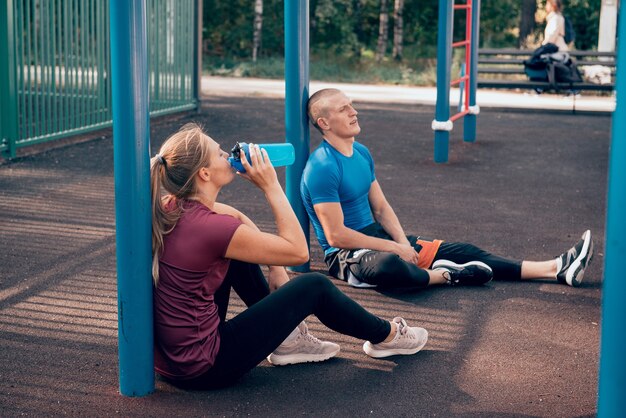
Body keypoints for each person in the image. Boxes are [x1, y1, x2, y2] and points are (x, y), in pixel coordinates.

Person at [150, 123, 428, 389]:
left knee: (238, 252)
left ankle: (288, 341)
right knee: (313, 286)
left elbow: (236, 217)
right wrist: (271, 185)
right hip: (205, 366)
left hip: (173, 360)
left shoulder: (173, 205)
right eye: (220, 153)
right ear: (205, 174)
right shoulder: (212, 228)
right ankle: (387, 336)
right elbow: (298, 251)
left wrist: (275, 267)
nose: (228, 156)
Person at [301, 88, 594, 290]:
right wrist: (395, 248)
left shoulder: (361, 152)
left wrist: (404, 242)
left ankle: (555, 267)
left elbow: (380, 207)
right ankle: (443, 275)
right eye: (344, 109)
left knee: (465, 250)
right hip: (346, 254)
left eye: (351, 105)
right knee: (390, 265)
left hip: (377, 238)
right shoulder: (322, 166)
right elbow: (336, 235)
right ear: (324, 122)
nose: (354, 112)